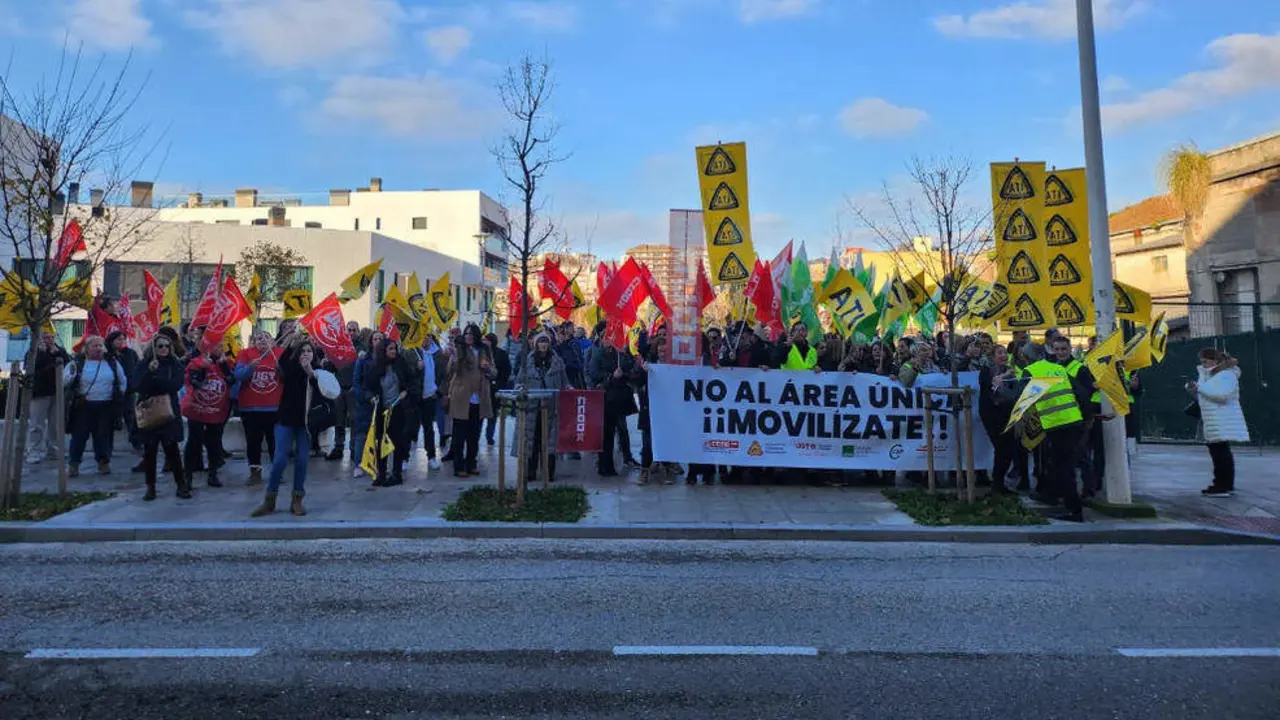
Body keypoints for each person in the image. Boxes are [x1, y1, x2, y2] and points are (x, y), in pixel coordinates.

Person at [252, 334, 322, 517]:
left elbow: (322, 388)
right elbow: (283, 369)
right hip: (286, 417)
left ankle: (297, 499)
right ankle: (270, 499)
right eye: (303, 351)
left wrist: (309, 370)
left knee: (302, 461)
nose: (306, 354)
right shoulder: (290, 364)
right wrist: (290, 341)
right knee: (280, 459)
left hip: (306, 421)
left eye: (309, 351)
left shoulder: (319, 369)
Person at [1021, 339, 1089, 522]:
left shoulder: (1030, 372)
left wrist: (999, 387)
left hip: (1056, 425)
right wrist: (1085, 419)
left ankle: (1074, 510)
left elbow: (1018, 399)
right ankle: (1051, 496)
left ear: (1026, 358)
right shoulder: (1059, 369)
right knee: (1056, 463)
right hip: (1073, 422)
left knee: (1063, 468)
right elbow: (1082, 394)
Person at [132, 335, 190, 500]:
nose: (164, 349)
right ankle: (150, 487)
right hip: (149, 411)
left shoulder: (175, 364)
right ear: (154, 348)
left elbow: (175, 385)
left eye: (166, 346)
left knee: (172, 451)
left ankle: (181, 485)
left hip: (169, 411)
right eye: (160, 346)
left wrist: (157, 379)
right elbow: (137, 385)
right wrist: (149, 373)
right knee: (150, 452)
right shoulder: (144, 364)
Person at [1188, 348, 1248, 497]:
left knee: (1220, 453)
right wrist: (1195, 389)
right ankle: (1223, 484)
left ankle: (1222, 485)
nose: (1203, 365)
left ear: (1215, 361)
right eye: (1201, 362)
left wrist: (1200, 388)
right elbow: (1207, 392)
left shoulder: (1227, 375)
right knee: (1219, 452)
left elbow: (1222, 395)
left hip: (1221, 418)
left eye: (1206, 362)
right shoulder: (1209, 374)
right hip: (1213, 419)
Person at [362, 337, 421, 487]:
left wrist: (406, 392)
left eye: (395, 348)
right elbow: (367, 387)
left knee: (397, 442)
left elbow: (413, 381)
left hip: (398, 409)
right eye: (390, 349)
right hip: (382, 409)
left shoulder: (401, 364)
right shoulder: (374, 367)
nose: (394, 351)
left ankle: (396, 473)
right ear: (383, 351)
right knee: (380, 441)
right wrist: (371, 398)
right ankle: (381, 473)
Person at [63, 335, 125, 476]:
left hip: (105, 405)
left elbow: (122, 380)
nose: (98, 349)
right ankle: (74, 464)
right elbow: (64, 380)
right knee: (79, 436)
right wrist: (71, 377)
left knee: (102, 436)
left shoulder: (112, 362)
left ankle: (103, 462)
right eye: (94, 346)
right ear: (86, 348)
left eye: (100, 346)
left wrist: (119, 394)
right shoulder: (77, 363)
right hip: (83, 406)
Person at [513, 331, 568, 484]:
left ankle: (549, 472)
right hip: (532, 408)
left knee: (550, 442)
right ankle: (530, 472)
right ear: (535, 344)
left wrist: (569, 390)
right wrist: (520, 390)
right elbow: (519, 381)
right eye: (540, 342)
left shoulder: (557, 362)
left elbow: (564, 382)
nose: (543, 345)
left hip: (551, 408)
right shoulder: (528, 362)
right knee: (532, 441)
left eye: (545, 342)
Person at [181, 345, 234, 488]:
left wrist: (224, 367)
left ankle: (213, 473)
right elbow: (195, 382)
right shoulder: (196, 362)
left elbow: (231, 380)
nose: (220, 348)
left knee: (214, 442)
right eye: (217, 345)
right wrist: (204, 368)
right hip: (197, 408)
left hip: (217, 408)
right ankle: (187, 477)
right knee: (194, 441)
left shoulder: (224, 363)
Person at [445, 324, 496, 477]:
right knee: (459, 434)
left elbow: (494, 371)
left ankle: (471, 463)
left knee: (474, 434)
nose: (468, 336)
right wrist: (453, 356)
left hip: (479, 397)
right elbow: (451, 370)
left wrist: (488, 369)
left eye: (471, 334)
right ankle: (459, 466)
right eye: (466, 333)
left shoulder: (484, 350)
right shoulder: (460, 349)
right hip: (461, 396)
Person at [588, 326, 638, 477]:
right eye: (606, 337)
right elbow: (593, 373)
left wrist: (625, 367)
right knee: (606, 433)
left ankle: (625, 457)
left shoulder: (619, 354)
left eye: (612, 337)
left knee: (621, 429)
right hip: (605, 398)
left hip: (620, 398)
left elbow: (630, 368)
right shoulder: (597, 354)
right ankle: (604, 465)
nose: (609, 340)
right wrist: (611, 376)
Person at [234, 331, 282, 486]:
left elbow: (287, 376)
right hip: (251, 407)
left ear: (273, 341)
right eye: (259, 338)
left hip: (274, 408)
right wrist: (250, 368)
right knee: (253, 441)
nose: (262, 340)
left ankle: (277, 472)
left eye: (266, 337)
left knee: (275, 441)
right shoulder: (245, 354)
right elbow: (238, 375)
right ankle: (255, 472)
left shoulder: (279, 354)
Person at [979, 345, 1027, 494]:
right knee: (1001, 448)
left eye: (1004, 353)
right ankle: (997, 484)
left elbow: (1013, 392)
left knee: (1008, 449)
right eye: (999, 353)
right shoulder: (987, 370)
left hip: (1008, 413)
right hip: (992, 415)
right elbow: (992, 383)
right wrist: (1007, 374)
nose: (1003, 356)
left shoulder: (1010, 369)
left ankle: (999, 482)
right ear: (992, 356)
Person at [25, 332, 69, 464]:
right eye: (46, 337)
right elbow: (33, 370)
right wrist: (43, 354)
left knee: (55, 424)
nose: (49, 340)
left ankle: (53, 450)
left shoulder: (59, 350)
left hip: (57, 391)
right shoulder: (33, 353)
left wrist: (57, 354)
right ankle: (33, 451)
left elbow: (68, 365)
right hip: (40, 392)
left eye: (51, 337)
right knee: (36, 424)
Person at [350, 330, 385, 478]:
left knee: (380, 435)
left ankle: (376, 464)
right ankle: (358, 464)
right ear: (371, 342)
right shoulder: (363, 359)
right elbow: (357, 382)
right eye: (375, 338)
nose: (377, 341)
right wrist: (364, 397)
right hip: (364, 403)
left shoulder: (388, 359)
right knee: (361, 435)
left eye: (380, 339)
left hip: (382, 402)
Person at [106, 331, 144, 459]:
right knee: (110, 421)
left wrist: (135, 384)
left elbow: (137, 368)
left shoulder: (130, 353)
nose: (121, 342)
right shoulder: (107, 355)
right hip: (111, 393)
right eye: (118, 339)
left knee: (131, 418)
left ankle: (136, 443)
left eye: (122, 339)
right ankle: (107, 449)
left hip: (128, 392)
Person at [483, 332, 512, 446]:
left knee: (493, 414)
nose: (485, 342)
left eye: (487, 340)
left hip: (495, 388)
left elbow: (507, 371)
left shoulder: (501, 354)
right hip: (483, 388)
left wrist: (500, 383)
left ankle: (489, 436)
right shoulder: (482, 353)